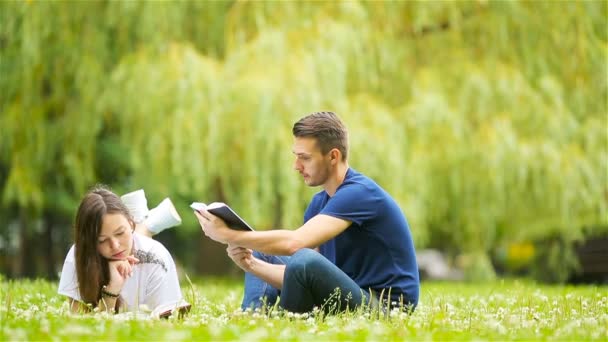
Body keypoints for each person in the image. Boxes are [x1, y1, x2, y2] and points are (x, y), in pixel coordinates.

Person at [195, 111, 419, 314]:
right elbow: (299, 276)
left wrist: (229, 235)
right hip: (350, 292)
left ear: (333, 156)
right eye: (296, 156)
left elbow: (296, 247)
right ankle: (253, 319)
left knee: (301, 257)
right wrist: (251, 264)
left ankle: (285, 323)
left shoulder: (360, 193)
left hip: (385, 306)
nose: (296, 165)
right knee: (264, 253)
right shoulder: (319, 203)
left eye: (305, 157)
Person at [58, 185, 184, 314]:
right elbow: (80, 324)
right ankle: (147, 224)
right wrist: (112, 290)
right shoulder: (79, 256)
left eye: (120, 233)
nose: (115, 245)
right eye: (102, 240)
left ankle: (145, 225)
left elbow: (171, 318)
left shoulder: (156, 257)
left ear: (130, 223)